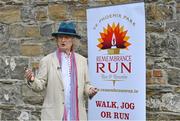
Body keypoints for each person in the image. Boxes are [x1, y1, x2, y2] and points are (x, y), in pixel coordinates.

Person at [24, 21, 98, 121]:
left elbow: (86, 83)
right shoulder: (47, 60)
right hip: (54, 115)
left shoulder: (82, 61)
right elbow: (40, 85)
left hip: (76, 114)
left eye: (66, 37)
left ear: (73, 40)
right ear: (57, 40)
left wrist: (90, 90)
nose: (63, 40)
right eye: (60, 37)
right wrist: (32, 79)